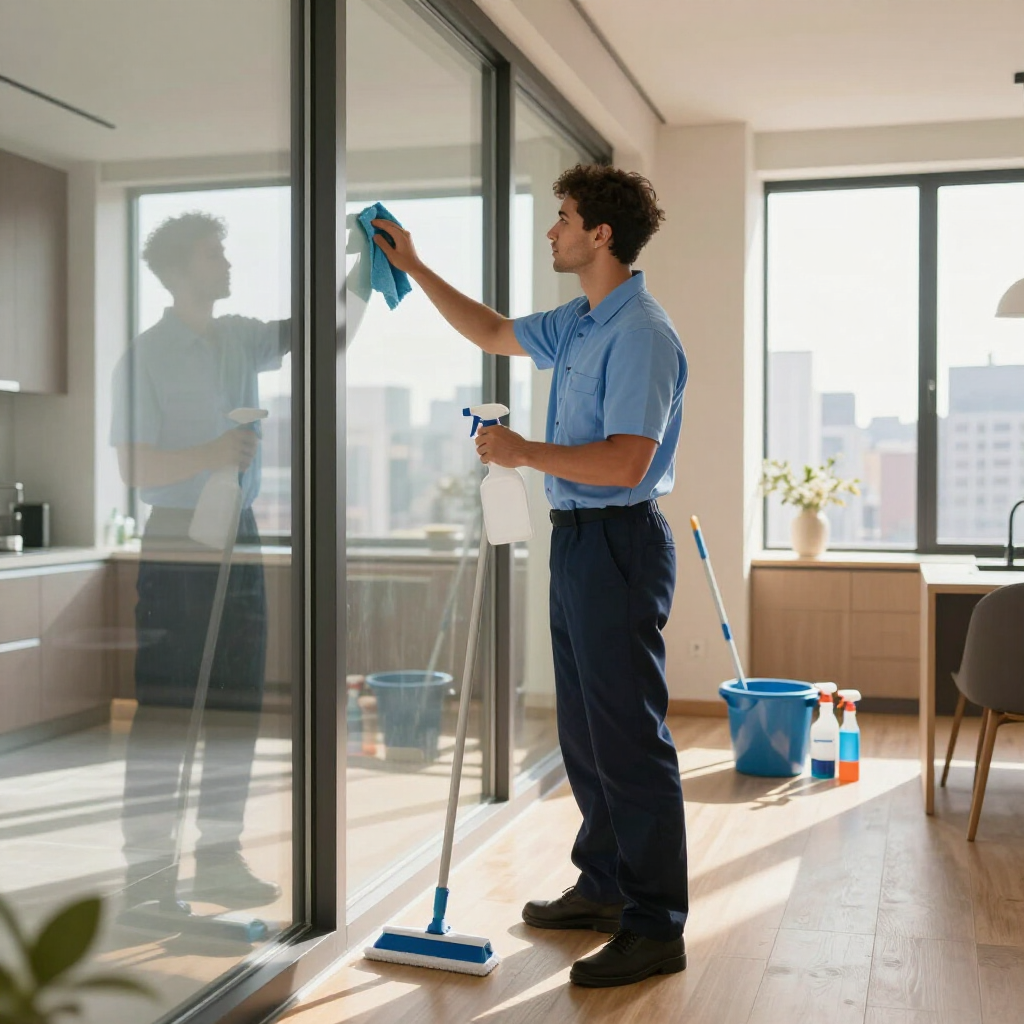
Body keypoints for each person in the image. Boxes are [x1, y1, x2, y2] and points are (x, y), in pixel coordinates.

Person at [372, 164, 688, 988]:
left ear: (601, 235)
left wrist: (522, 453)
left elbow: (627, 462)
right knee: (586, 729)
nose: (553, 230)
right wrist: (413, 265)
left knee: (629, 736)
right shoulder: (582, 322)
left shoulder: (642, 333)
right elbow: (492, 331)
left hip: (619, 540)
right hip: (577, 540)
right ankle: (607, 884)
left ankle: (656, 925)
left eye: (564, 218)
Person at [110, 212, 288, 923]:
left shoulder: (240, 337)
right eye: (215, 255)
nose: (227, 265)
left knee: (237, 704)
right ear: (182, 271)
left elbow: (323, 332)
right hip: (178, 536)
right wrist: (212, 454)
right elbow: (133, 465)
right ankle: (148, 879)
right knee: (168, 709)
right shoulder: (145, 357)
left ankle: (219, 858)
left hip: (238, 536)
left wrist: (365, 269)